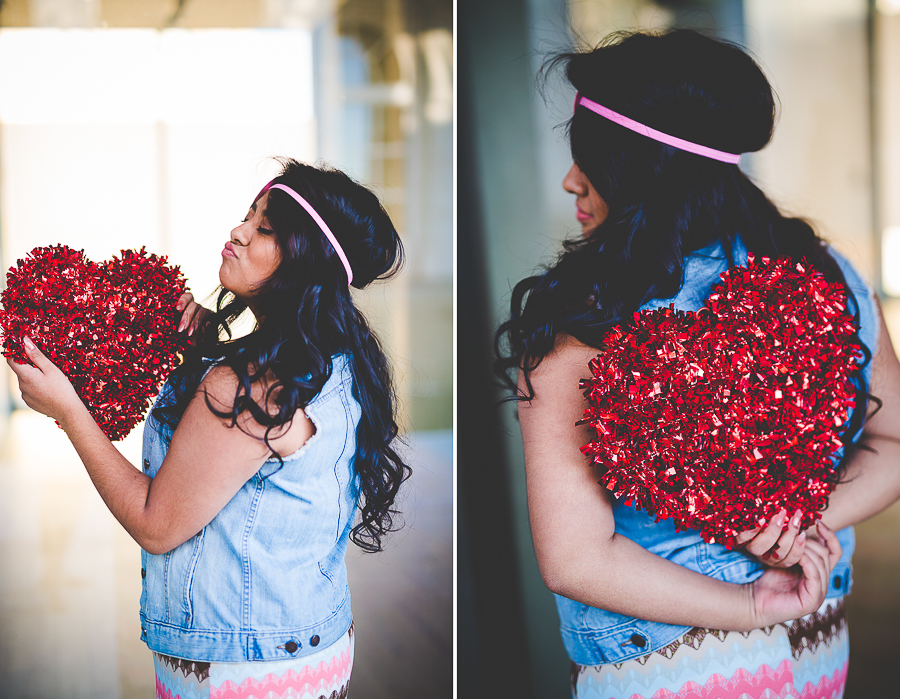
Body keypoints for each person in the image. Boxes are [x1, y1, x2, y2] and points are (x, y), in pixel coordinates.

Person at [494, 30, 900, 698]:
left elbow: (574, 559)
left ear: (636, 166)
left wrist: (754, 595)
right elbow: (891, 440)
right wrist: (801, 515)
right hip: (818, 645)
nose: (572, 177)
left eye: (587, 154)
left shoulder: (582, 319)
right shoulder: (828, 279)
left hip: (665, 666)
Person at [9, 158, 409, 698]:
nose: (238, 231)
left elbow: (157, 524)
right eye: (247, 215)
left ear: (306, 262)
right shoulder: (336, 356)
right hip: (311, 649)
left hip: (240, 673)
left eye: (264, 229)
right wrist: (202, 353)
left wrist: (69, 410)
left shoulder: (248, 384)